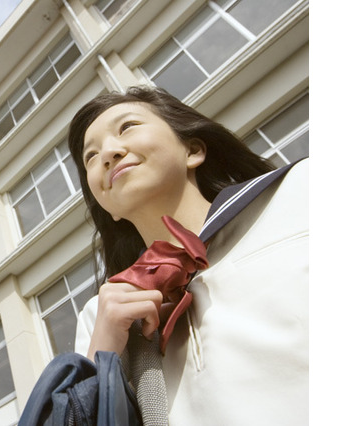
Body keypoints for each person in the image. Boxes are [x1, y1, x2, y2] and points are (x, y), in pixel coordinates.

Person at [69, 86, 308, 425]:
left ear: (193, 150)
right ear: (108, 208)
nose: (108, 153)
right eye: (90, 157)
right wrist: (102, 357)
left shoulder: (303, 191)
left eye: (127, 127)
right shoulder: (100, 314)